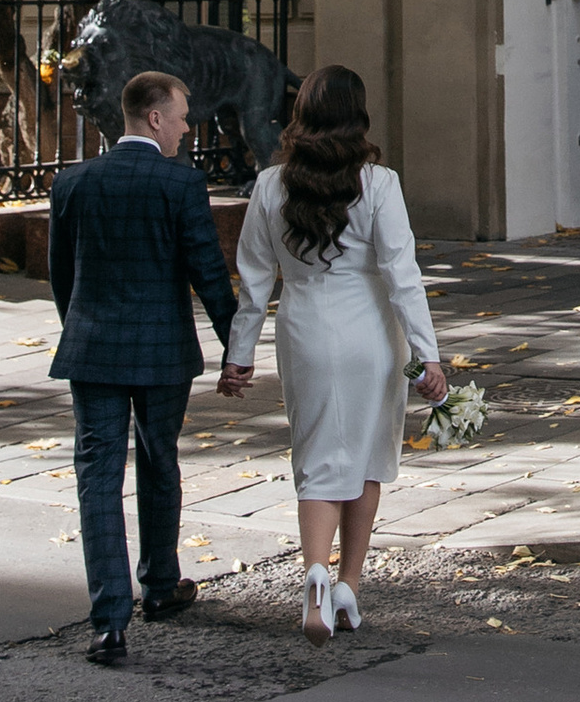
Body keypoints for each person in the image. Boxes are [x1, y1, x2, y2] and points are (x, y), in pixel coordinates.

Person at [219, 63, 447, 639]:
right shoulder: (380, 183)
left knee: (317, 453)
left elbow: (253, 275)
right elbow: (402, 274)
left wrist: (238, 353)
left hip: (305, 330)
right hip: (370, 332)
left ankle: (314, 576)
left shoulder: (271, 185)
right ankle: (349, 582)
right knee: (369, 452)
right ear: (357, 115)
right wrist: (430, 353)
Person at [48, 68, 239, 666]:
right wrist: (238, 350)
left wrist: (81, 329)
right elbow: (208, 273)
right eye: (182, 116)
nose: (187, 127)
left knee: (97, 478)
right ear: (154, 118)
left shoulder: (73, 181)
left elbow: (62, 277)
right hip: (162, 354)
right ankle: (160, 584)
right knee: (160, 462)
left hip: (93, 350)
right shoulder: (180, 183)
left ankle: (109, 619)